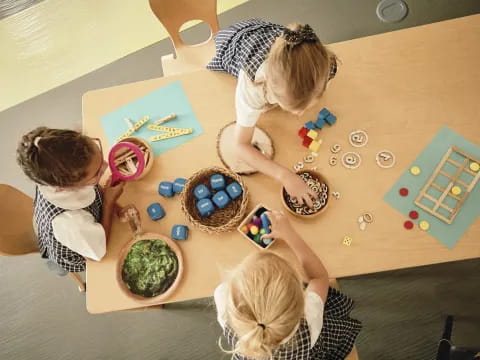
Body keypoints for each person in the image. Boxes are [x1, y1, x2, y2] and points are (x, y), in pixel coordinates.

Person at [208, 19, 337, 208]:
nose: (300, 114)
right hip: (233, 44)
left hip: (272, 40)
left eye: (306, 106)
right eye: (293, 108)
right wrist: (284, 175)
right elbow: (241, 145)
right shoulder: (252, 87)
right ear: (269, 89)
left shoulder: (326, 66)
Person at [214, 210, 361, 359]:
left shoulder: (224, 306)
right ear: (301, 297)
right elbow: (319, 277)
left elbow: (226, 287)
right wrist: (290, 234)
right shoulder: (310, 316)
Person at [16, 126, 124, 272]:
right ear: (65, 187)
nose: (106, 166)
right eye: (97, 173)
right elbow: (97, 253)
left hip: (82, 224)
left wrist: (100, 187)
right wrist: (108, 203)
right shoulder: (70, 222)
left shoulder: (49, 168)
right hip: (83, 249)